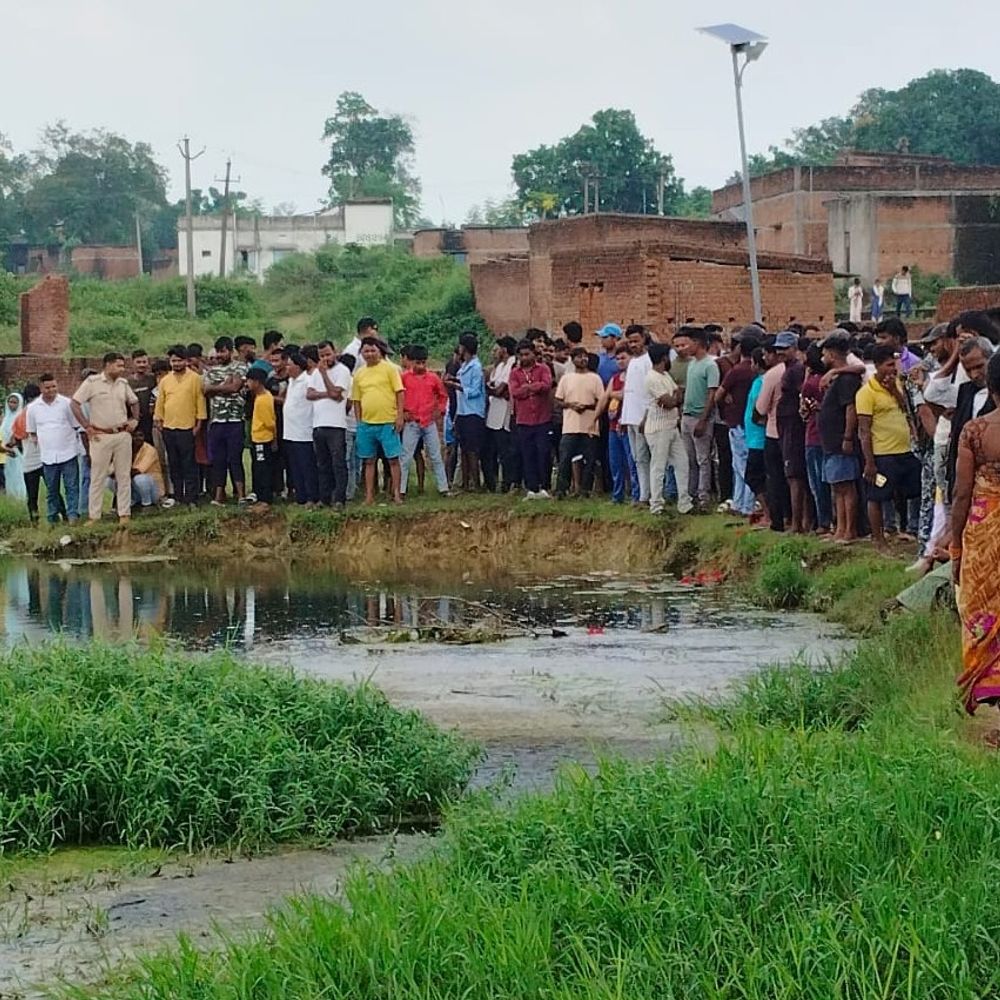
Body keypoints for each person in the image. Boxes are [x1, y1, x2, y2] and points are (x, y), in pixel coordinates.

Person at [952, 351, 1000, 718]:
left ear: (991, 385)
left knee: (984, 606)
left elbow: (961, 494)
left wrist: (955, 548)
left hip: (985, 535)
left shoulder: (974, 431)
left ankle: (992, 687)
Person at [856, 345, 923, 548]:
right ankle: (879, 539)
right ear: (877, 366)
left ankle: (908, 529)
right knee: (877, 496)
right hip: (882, 454)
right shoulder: (866, 393)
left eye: (894, 364)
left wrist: (894, 390)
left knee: (913, 490)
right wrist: (869, 462)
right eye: (888, 365)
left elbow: (905, 409)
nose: (893, 368)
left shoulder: (897, 385)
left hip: (904, 451)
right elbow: (864, 430)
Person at [71, 352, 140, 523]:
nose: (122, 369)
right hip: (100, 435)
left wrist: (135, 420)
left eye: (123, 366)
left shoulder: (123, 384)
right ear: (108, 365)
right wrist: (86, 426)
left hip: (122, 434)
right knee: (97, 476)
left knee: (123, 476)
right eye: (118, 365)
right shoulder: (92, 382)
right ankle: (94, 516)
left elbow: (134, 401)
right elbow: (75, 403)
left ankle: (124, 514)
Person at [818, 334, 862, 544]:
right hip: (831, 442)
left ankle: (849, 530)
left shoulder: (846, 380)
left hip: (840, 440)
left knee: (846, 486)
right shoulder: (837, 378)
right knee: (837, 486)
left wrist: (847, 436)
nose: (822, 357)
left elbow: (851, 408)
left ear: (832, 354)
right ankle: (840, 528)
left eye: (825, 353)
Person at [351, 337, 404, 505]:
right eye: (366, 351)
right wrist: (359, 422)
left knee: (393, 459)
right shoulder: (359, 374)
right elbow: (356, 400)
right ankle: (369, 496)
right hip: (367, 424)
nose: (370, 354)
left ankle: (397, 494)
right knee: (369, 461)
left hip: (388, 422)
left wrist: (400, 416)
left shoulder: (390, 369)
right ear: (361, 353)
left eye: (373, 350)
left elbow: (399, 392)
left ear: (379, 351)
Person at [153, 344, 206, 507]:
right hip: (169, 428)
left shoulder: (195, 378)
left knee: (189, 464)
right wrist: (159, 421)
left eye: (179, 360)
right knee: (174, 464)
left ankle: (191, 498)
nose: (176, 364)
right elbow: (160, 402)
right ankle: (177, 496)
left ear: (186, 361)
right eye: (173, 361)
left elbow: (200, 401)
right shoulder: (165, 380)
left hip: (187, 428)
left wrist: (198, 425)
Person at [674, 326, 719, 510]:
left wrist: (703, 419)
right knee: (689, 459)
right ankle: (690, 493)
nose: (686, 348)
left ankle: (703, 496)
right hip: (687, 415)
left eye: (689, 343)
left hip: (700, 417)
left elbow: (712, 394)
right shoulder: (692, 364)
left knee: (703, 459)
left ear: (697, 343)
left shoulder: (710, 365)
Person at [946, 337, 997, 502]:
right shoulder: (964, 391)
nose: (974, 375)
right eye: (968, 370)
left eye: (979, 366)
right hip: (968, 483)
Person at [27, 374, 81, 525]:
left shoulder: (67, 403)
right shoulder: (33, 408)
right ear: (41, 388)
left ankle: (73, 516)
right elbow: (32, 432)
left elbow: (76, 425)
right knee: (52, 490)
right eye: (47, 387)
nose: (51, 390)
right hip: (48, 456)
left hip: (68, 452)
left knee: (71, 486)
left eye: (54, 386)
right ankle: (52, 518)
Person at [643, 343, 690, 515]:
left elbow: (677, 394)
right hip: (658, 428)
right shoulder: (652, 378)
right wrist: (675, 398)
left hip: (671, 426)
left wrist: (674, 397)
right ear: (664, 358)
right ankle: (656, 505)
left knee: (682, 463)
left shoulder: (665, 375)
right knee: (658, 466)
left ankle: (685, 503)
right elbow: (670, 402)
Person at [717, 330, 760, 516]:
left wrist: (726, 397)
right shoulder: (757, 373)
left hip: (737, 423)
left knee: (741, 465)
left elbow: (718, 395)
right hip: (751, 423)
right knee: (740, 464)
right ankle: (739, 503)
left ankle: (746, 505)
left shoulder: (737, 371)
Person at [553, 347, 604, 499]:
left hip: (589, 425)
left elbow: (601, 401)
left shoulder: (595, 378)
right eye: (579, 357)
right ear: (573, 359)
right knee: (565, 458)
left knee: (589, 459)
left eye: (585, 356)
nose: (583, 359)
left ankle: (585, 490)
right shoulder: (566, 378)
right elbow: (558, 400)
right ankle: (561, 489)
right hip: (570, 425)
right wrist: (571, 405)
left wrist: (586, 406)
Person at [202, 336, 247, 505]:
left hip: (235, 420)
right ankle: (219, 496)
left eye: (223, 351)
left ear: (231, 351)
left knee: (235, 458)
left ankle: (241, 495)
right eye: (218, 352)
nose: (220, 355)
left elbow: (235, 387)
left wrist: (217, 388)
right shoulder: (212, 371)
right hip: (217, 422)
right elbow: (205, 390)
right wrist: (225, 386)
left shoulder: (240, 367)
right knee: (218, 460)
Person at [307, 340, 352, 509]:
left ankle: (339, 498)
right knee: (322, 463)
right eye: (322, 356)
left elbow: (336, 394)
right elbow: (309, 394)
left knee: (338, 463)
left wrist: (325, 375)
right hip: (318, 424)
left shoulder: (343, 371)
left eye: (328, 354)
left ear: (335, 352)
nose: (325, 359)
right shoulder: (315, 373)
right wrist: (327, 393)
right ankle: (324, 498)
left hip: (336, 425)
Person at [400, 345, 450, 497]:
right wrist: (402, 413)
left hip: (428, 422)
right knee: (406, 457)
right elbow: (397, 396)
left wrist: (440, 410)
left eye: (423, 363)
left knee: (436, 456)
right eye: (418, 363)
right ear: (411, 362)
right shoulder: (404, 378)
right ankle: (401, 490)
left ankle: (443, 488)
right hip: (412, 422)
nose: (421, 366)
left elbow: (443, 396)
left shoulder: (433, 378)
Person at [755, 334, 793, 532]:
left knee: (776, 478)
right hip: (792, 432)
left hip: (773, 431)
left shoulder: (772, 375)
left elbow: (761, 408)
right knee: (793, 478)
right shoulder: (798, 370)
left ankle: (779, 520)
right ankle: (794, 518)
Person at [509, 340, 553, 499]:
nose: (524, 358)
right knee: (527, 454)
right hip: (524, 420)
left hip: (543, 419)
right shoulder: (515, 373)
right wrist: (534, 387)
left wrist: (527, 387)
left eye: (527, 354)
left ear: (534, 354)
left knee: (544, 453)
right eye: (521, 355)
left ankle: (545, 486)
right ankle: (532, 488)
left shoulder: (543, 369)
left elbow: (546, 385)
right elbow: (515, 392)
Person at [777, 335, 811, 534]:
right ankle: (802, 522)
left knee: (795, 475)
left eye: (785, 348)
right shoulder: (788, 369)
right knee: (795, 475)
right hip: (788, 424)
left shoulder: (796, 370)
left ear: (794, 349)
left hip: (794, 426)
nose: (780, 352)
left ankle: (799, 523)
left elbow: (803, 393)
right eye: (778, 348)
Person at [445, 333, 487, 491]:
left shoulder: (476, 367)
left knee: (472, 450)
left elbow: (474, 391)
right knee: (463, 449)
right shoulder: (464, 366)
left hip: (473, 412)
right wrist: (454, 380)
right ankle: (464, 483)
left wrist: (456, 386)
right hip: (462, 411)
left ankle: (476, 483)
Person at [600, 345, 640, 504]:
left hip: (629, 423)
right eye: (617, 359)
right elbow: (607, 396)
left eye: (623, 358)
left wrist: (615, 394)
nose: (620, 361)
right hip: (613, 424)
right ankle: (618, 495)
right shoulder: (615, 378)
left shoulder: (635, 376)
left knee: (632, 461)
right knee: (615, 462)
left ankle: (637, 494)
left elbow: (626, 395)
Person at [619, 325, 653, 505]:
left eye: (636, 341)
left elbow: (651, 392)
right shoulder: (632, 362)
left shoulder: (648, 361)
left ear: (644, 339)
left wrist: (646, 417)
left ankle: (646, 496)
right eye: (630, 342)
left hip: (642, 418)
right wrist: (623, 419)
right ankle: (642, 494)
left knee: (644, 457)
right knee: (637, 458)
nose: (633, 345)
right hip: (630, 417)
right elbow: (629, 392)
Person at [281, 351, 319, 506]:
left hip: (304, 432)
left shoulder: (307, 381)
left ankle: (311, 497)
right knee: (294, 467)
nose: (287, 367)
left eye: (289, 364)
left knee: (307, 466)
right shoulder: (291, 381)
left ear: (298, 366)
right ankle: (300, 497)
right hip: (290, 432)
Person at [483, 337, 517, 493]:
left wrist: (490, 389)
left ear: (504, 349)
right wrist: (494, 390)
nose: (495, 352)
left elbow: (500, 390)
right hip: (494, 412)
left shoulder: (511, 363)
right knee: (492, 451)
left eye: (497, 349)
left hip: (503, 414)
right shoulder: (500, 366)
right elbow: (495, 389)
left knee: (505, 451)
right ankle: (493, 482)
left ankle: (507, 483)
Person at [8, 384, 42, 523]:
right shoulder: (41, 411)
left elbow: (16, 438)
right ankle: (62, 517)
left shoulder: (21, 416)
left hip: (30, 460)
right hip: (46, 458)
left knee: (32, 495)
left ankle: (35, 520)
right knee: (53, 492)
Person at [744, 349, 770, 527]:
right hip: (753, 437)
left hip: (760, 439)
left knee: (754, 477)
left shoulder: (763, 382)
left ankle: (769, 514)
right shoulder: (757, 381)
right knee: (756, 477)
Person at [246, 367, 277, 510]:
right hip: (258, 438)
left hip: (262, 439)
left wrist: (273, 438)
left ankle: (265, 499)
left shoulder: (263, 400)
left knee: (262, 469)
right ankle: (260, 497)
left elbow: (270, 422)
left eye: (249, 381)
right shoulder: (261, 397)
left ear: (257, 382)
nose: (247, 383)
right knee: (258, 468)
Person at [127, 431, 165, 509]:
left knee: (140, 478)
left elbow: (138, 471)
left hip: (153, 491)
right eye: (134, 436)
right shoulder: (127, 449)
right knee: (109, 481)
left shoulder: (150, 450)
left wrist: (120, 473)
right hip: (135, 488)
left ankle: (147, 504)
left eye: (140, 435)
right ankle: (130, 501)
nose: (138, 438)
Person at [1, 393, 25, 500]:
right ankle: (10, 497)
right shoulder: (5, 418)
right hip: (4, 451)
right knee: (7, 474)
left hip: (16, 451)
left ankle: (20, 496)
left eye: (15, 402)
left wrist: (12, 445)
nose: (12, 405)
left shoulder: (20, 418)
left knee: (17, 473)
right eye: (10, 402)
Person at [129, 350, 157, 442]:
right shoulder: (127, 382)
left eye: (144, 362)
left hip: (151, 421)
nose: (142, 365)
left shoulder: (153, 379)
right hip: (134, 421)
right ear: (132, 363)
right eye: (138, 362)